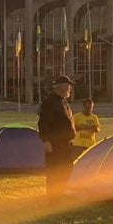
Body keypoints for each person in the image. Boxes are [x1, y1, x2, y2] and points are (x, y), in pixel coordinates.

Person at [38, 75, 77, 204]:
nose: (70, 88)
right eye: (68, 85)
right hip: (55, 144)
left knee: (66, 169)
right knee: (55, 171)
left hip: (66, 144)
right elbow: (43, 123)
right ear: (61, 86)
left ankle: (59, 193)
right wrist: (46, 141)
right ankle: (53, 199)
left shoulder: (63, 101)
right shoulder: (49, 102)